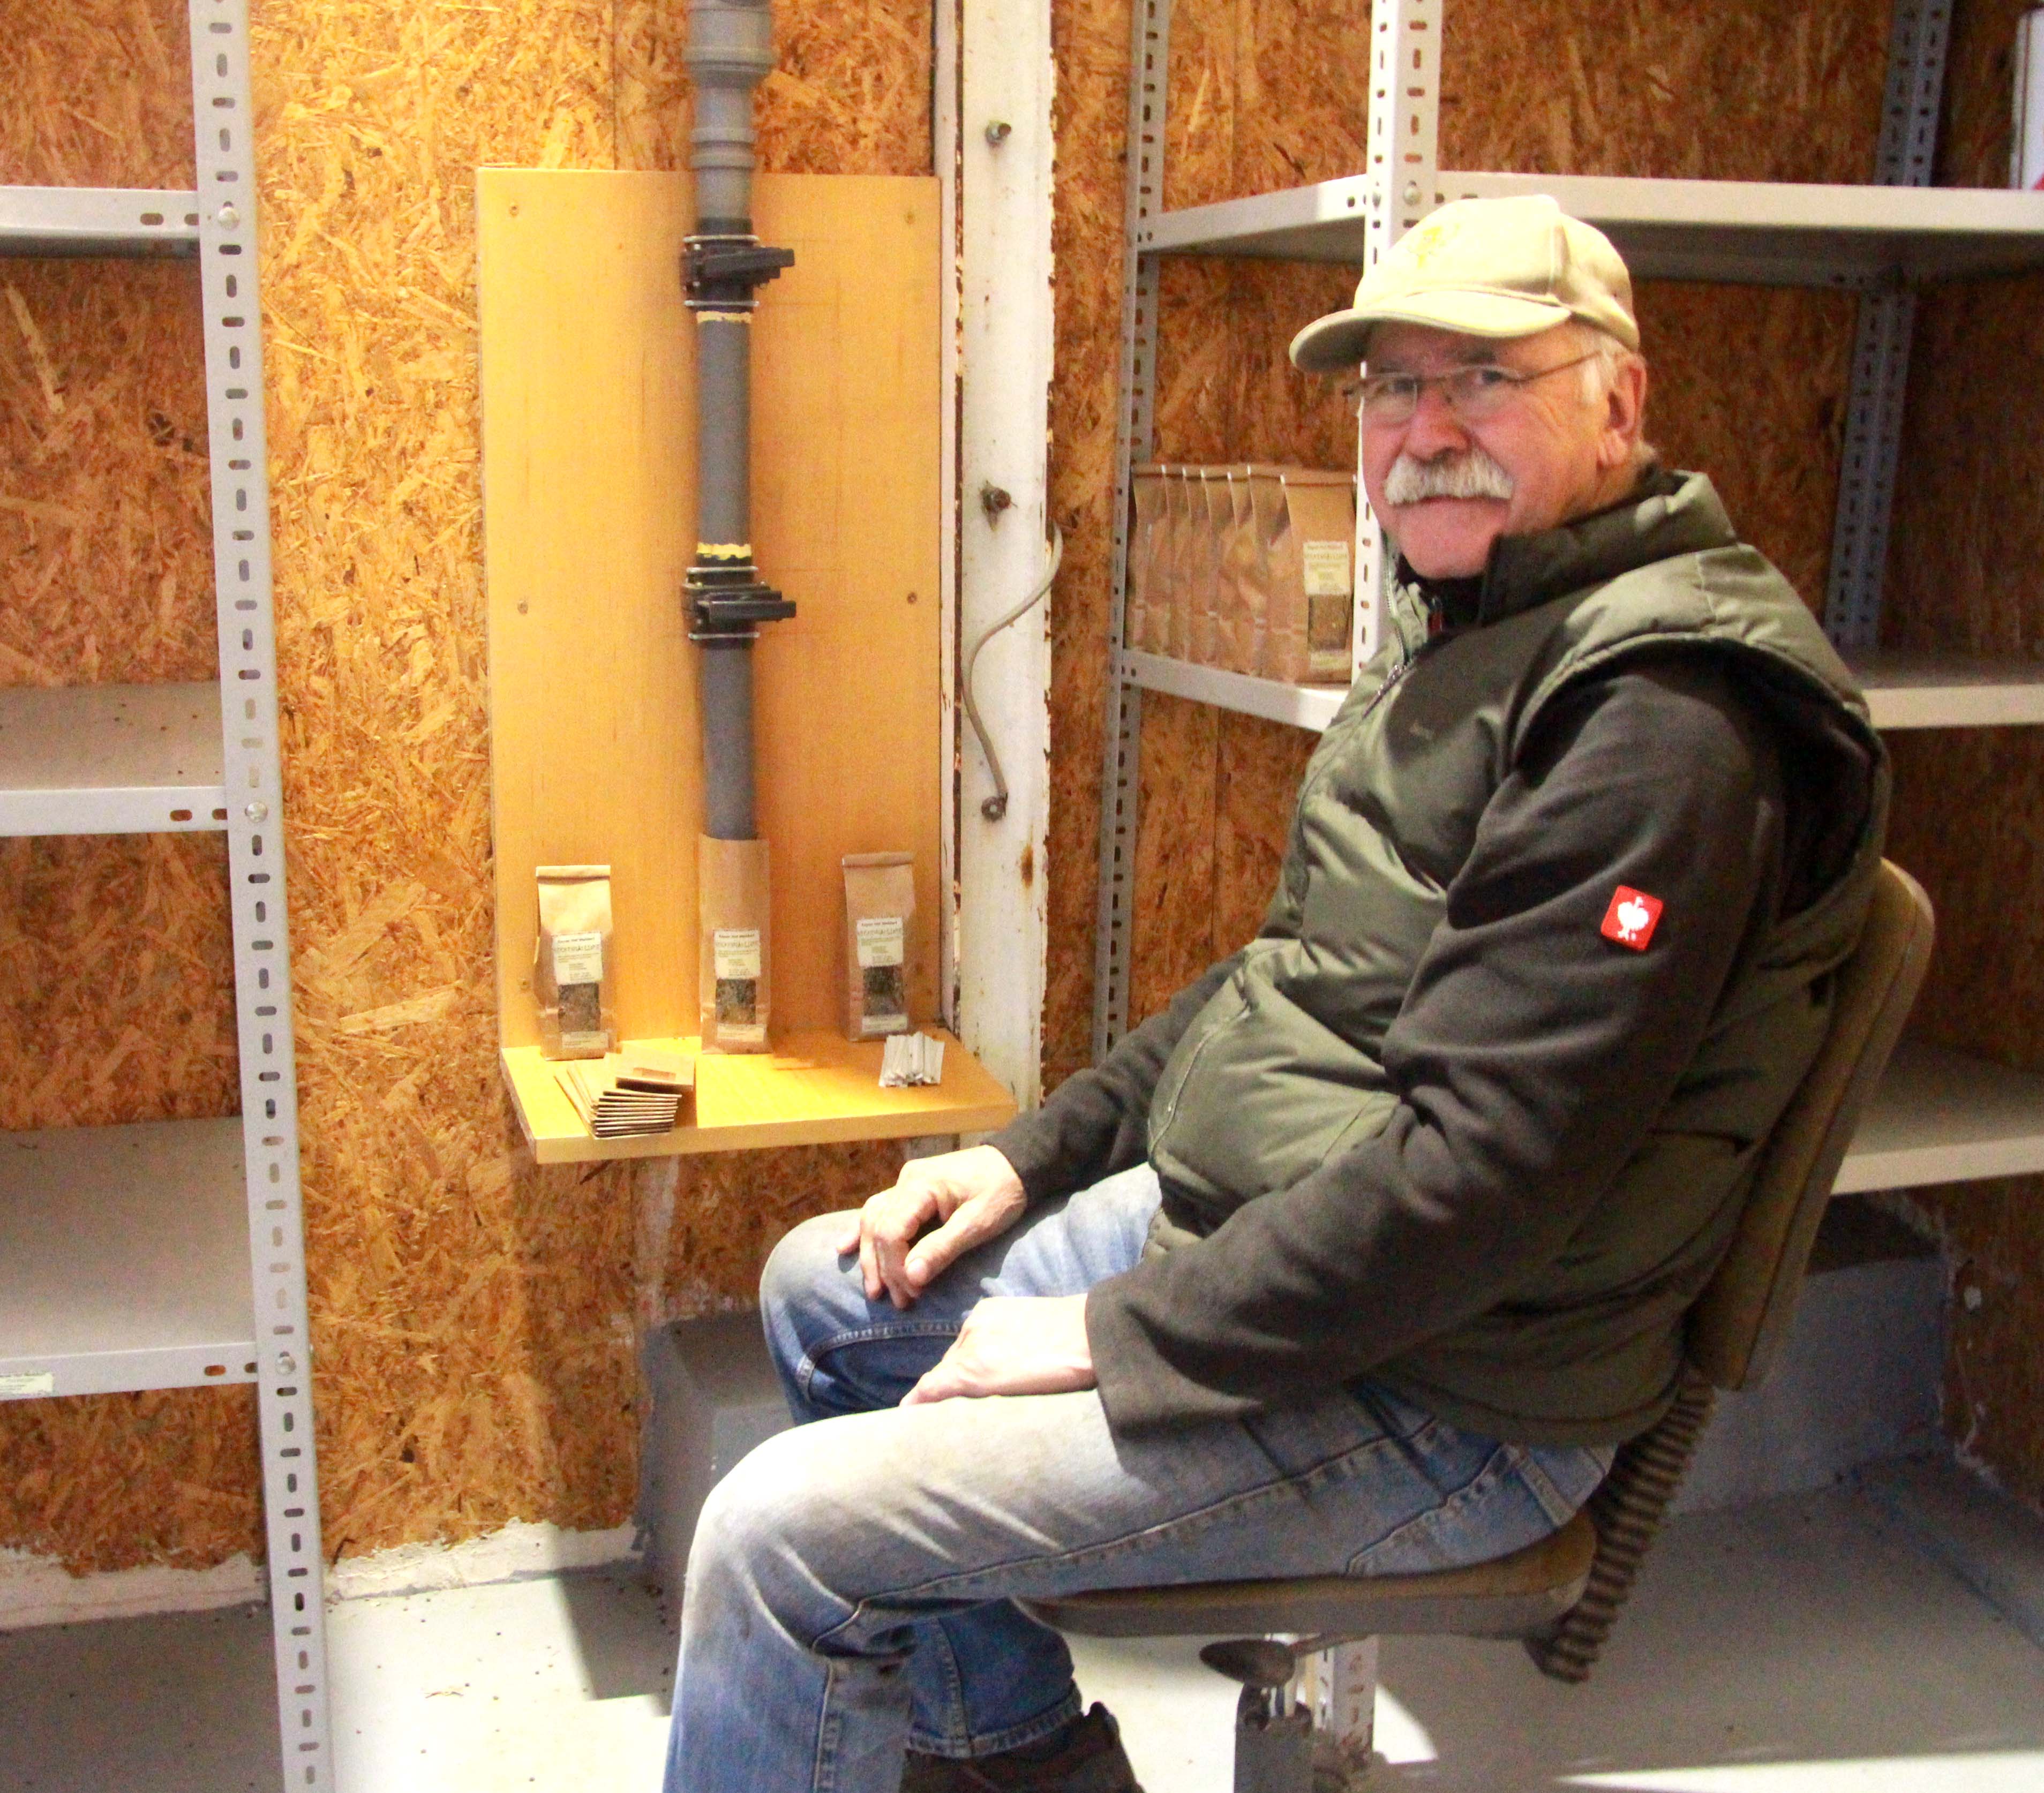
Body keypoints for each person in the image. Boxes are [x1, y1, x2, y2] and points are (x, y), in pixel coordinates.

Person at [660, 194, 1888, 1793]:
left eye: (1483, 377)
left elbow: (1482, 1180)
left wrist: (1116, 1333)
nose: (1426, 429)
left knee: (778, 1538)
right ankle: (1024, 1760)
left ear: (1620, 403)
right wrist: (1032, 1156)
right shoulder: (1481, 621)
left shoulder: (1655, 728)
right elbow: (1289, 978)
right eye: (1392, 387)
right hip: (1293, 1262)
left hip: (1450, 1389)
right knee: (832, 1289)